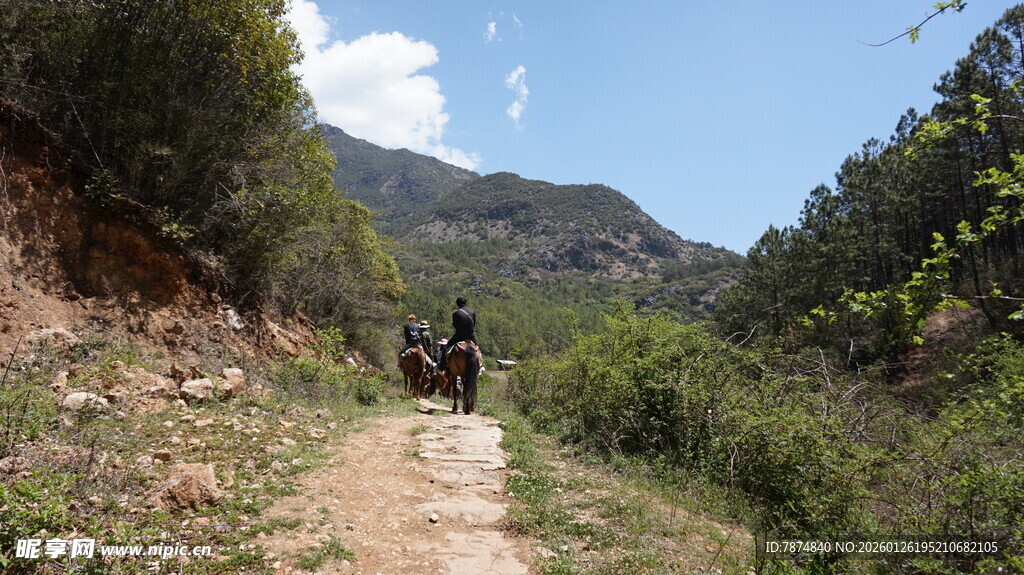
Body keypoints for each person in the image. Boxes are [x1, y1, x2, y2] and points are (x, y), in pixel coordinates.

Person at [439, 296, 477, 371]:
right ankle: (480, 365)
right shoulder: (473, 311)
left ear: (457, 304)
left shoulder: (456, 313)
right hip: (471, 336)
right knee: (477, 349)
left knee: (446, 348)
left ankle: (441, 367)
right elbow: (474, 324)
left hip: (459, 336)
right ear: (466, 303)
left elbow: (455, 325)